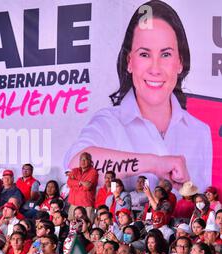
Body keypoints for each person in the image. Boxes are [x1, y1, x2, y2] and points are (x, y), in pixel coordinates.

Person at [63, 0, 212, 194]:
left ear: (180, 62)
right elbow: (74, 165)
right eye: (144, 54)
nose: (155, 69)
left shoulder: (200, 132)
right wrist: (154, 163)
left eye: (166, 54)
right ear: (129, 62)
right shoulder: (109, 122)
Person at [66, 152, 98, 221]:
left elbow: (87, 186)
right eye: (81, 159)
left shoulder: (93, 172)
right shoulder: (75, 170)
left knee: (87, 225)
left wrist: (75, 183)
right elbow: (69, 183)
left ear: (90, 161)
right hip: (74, 203)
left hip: (86, 204)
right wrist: (81, 183)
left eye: (85, 159)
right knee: (71, 225)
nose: (83, 161)